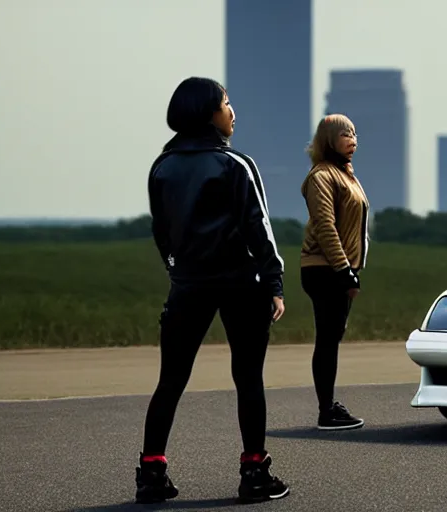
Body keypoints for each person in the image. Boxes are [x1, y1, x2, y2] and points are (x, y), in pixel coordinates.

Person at [134, 76, 289, 504]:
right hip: (242, 285)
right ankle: (254, 473)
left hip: (187, 286)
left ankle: (151, 474)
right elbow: (260, 230)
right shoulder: (235, 164)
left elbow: (161, 231)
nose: (232, 110)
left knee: (171, 380)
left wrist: (177, 270)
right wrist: (274, 282)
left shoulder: (161, 167)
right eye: (225, 102)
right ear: (208, 113)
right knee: (248, 378)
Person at [300, 113, 369, 431]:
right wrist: (343, 270)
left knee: (332, 336)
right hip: (325, 269)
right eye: (345, 134)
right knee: (328, 338)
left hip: (339, 268)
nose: (352, 140)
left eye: (354, 134)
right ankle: (326, 410)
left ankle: (328, 405)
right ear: (328, 139)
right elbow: (326, 226)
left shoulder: (345, 174)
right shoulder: (322, 176)